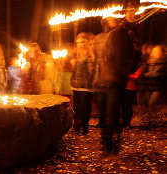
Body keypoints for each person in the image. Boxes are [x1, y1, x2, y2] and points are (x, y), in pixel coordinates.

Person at [92, 17, 139, 154]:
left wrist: (122, 71)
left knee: (112, 111)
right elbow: (96, 58)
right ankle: (107, 139)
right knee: (103, 112)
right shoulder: (100, 38)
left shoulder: (123, 34)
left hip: (115, 80)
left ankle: (110, 143)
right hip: (101, 81)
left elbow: (131, 56)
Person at [71, 32, 95, 135]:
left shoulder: (90, 55)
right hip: (76, 86)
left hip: (86, 87)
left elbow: (91, 70)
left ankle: (85, 128)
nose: (81, 44)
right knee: (76, 108)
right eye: (79, 42)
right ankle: (76, 127)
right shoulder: (75, 55)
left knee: (85, 108)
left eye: (83, 42)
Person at [137, 45, 167, 129]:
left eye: (157, 51)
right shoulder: (150, 62)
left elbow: (164, 75)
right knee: (147, 105)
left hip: (158, 87)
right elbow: (145, 73)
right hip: (149, 85)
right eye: (154, 51)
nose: (155, 52)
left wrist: (153, 75)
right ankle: (148, 121)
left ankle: (150, 121)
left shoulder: (165, 62)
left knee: (152, 104)